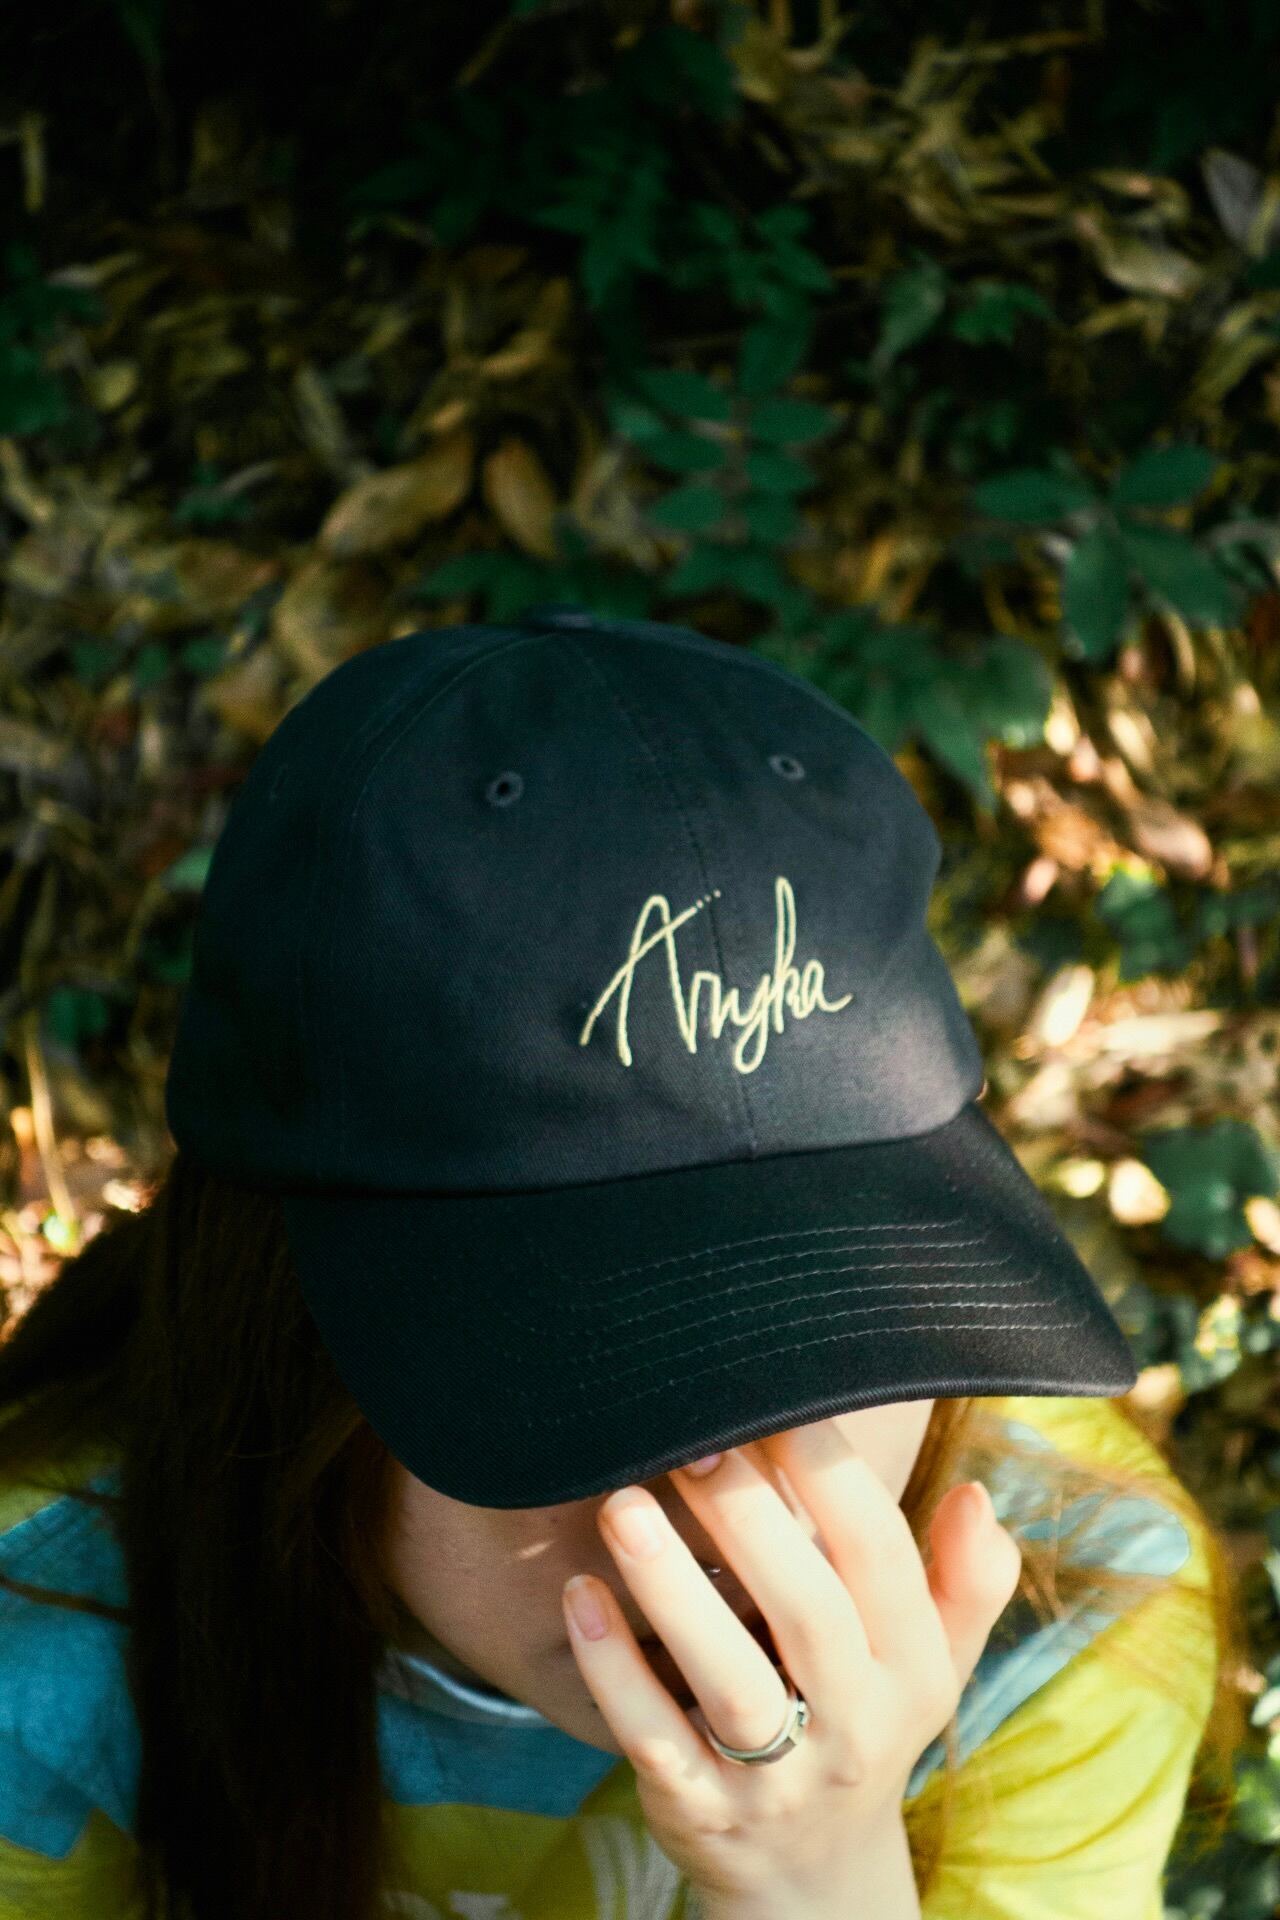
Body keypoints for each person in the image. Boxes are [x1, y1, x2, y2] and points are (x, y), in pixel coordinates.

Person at [0, 607, 1247, 1919]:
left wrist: (822, 1888)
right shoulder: (46, 1655)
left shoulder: (1068, 1609)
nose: (740, 1514)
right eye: (591, 1378)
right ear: (289, 1331)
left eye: (844, 1337)